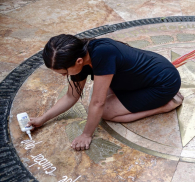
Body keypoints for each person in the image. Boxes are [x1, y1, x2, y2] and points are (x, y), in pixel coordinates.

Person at [28, 34, 183, 151]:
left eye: (64, 72)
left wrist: (86, 134)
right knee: (105, 97)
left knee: (106, 112)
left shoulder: (102, 54)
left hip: (163, 83)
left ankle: (165, 106)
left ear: (78, 62)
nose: (64, 76)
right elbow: (71, 96)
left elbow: (98, 103)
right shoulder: (80, 55)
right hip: (140, 79)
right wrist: (43, 119)